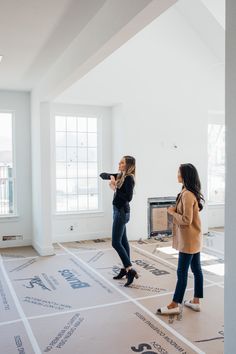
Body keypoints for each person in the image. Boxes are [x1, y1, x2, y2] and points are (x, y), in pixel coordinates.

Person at [157, 163, 204, 315]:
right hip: (193, 238)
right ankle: (196, 301)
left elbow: (186, 220)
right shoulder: (186, 192)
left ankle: (174, 305)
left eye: (179, 172)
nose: (177, 174)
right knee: (196, 269)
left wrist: (172, 212)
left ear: (185, 175)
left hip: (188, 240)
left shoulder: (187, 194)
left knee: (182, 272)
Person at [100, 155, 138, 287]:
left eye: (122, 163)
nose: (119, 164)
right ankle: (125, 269)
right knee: (123, 241)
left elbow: (128, 197)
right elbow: (102, 175)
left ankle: (129, 269)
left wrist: (115, 187)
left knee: (115, 242)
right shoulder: (121, 175)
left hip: (121, 212)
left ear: (128, 165)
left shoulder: (128, 178)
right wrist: (110, 177)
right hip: (118, 210)